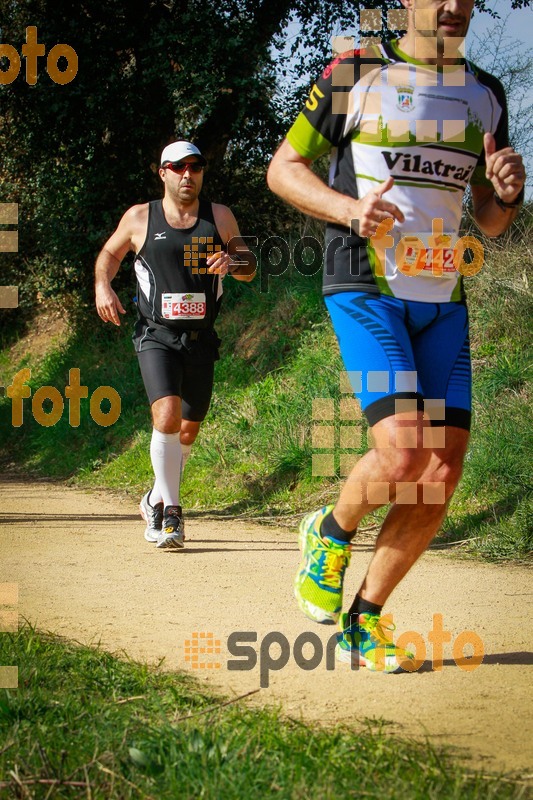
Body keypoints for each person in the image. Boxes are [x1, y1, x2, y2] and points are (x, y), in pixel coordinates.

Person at [267, 0, 525, 671]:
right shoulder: (357, 73)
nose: (451, 6)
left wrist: (506, 191)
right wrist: (350, 209)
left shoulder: (484, 93)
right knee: (405, 453)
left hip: (441, 295)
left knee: (441, 471)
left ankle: (365, 619)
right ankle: (329, 531)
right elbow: (284, 170)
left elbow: (490, 222)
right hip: (364, 285)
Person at [95, 140, 255, 550]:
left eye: (196, 167)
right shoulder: (139, 217)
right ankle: (171, 513)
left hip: (201, 338)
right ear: (162, 172)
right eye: (178, 167)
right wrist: (103, 285)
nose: (188, 174)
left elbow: (248, 267)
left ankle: (153, 496)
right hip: (156, 335)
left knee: (188, 427)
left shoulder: (218, 217)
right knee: (165, 416)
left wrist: (233, 262)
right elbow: (110, 255)